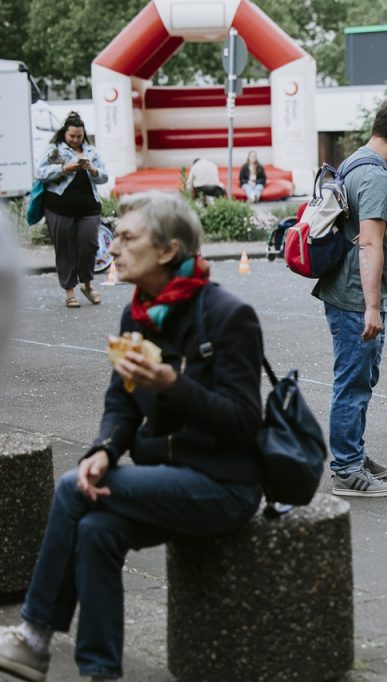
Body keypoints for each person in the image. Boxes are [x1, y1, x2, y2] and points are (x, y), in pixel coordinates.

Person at [0, 191, 264, 682]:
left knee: (67, 490)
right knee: (97, 530)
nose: (112, 247)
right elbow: (120, 402)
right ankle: (101, 673)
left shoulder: (227, 315)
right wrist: (103, 451)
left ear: (166, 250)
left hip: (225, 485)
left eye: (126, 237)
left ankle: (34, 637)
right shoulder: (138, 313)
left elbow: (245, 422)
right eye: (114, 237)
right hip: (168, 477)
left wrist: (173, 385)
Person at [313, 98, 387, 498]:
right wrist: (374, 307)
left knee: (359, 377)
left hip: (342, 289)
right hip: (356, 297)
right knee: (353, 381)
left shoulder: (353, 161)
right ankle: (346, 469)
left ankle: (352, 455)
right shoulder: (376, 177)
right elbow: (370, 244)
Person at [35, 111, 109, 308]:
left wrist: (92, 170)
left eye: (79, 136)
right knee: (65, 248)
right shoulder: (55, 151)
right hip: (59, 207)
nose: (76, 140)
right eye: (72, 136)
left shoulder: (91, 151)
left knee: (89, 245)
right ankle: (70, 291)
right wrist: (66, 168)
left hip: (89, 207)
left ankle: (87, 285)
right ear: (64, 133)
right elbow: (40, 172)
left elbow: (104, 176)